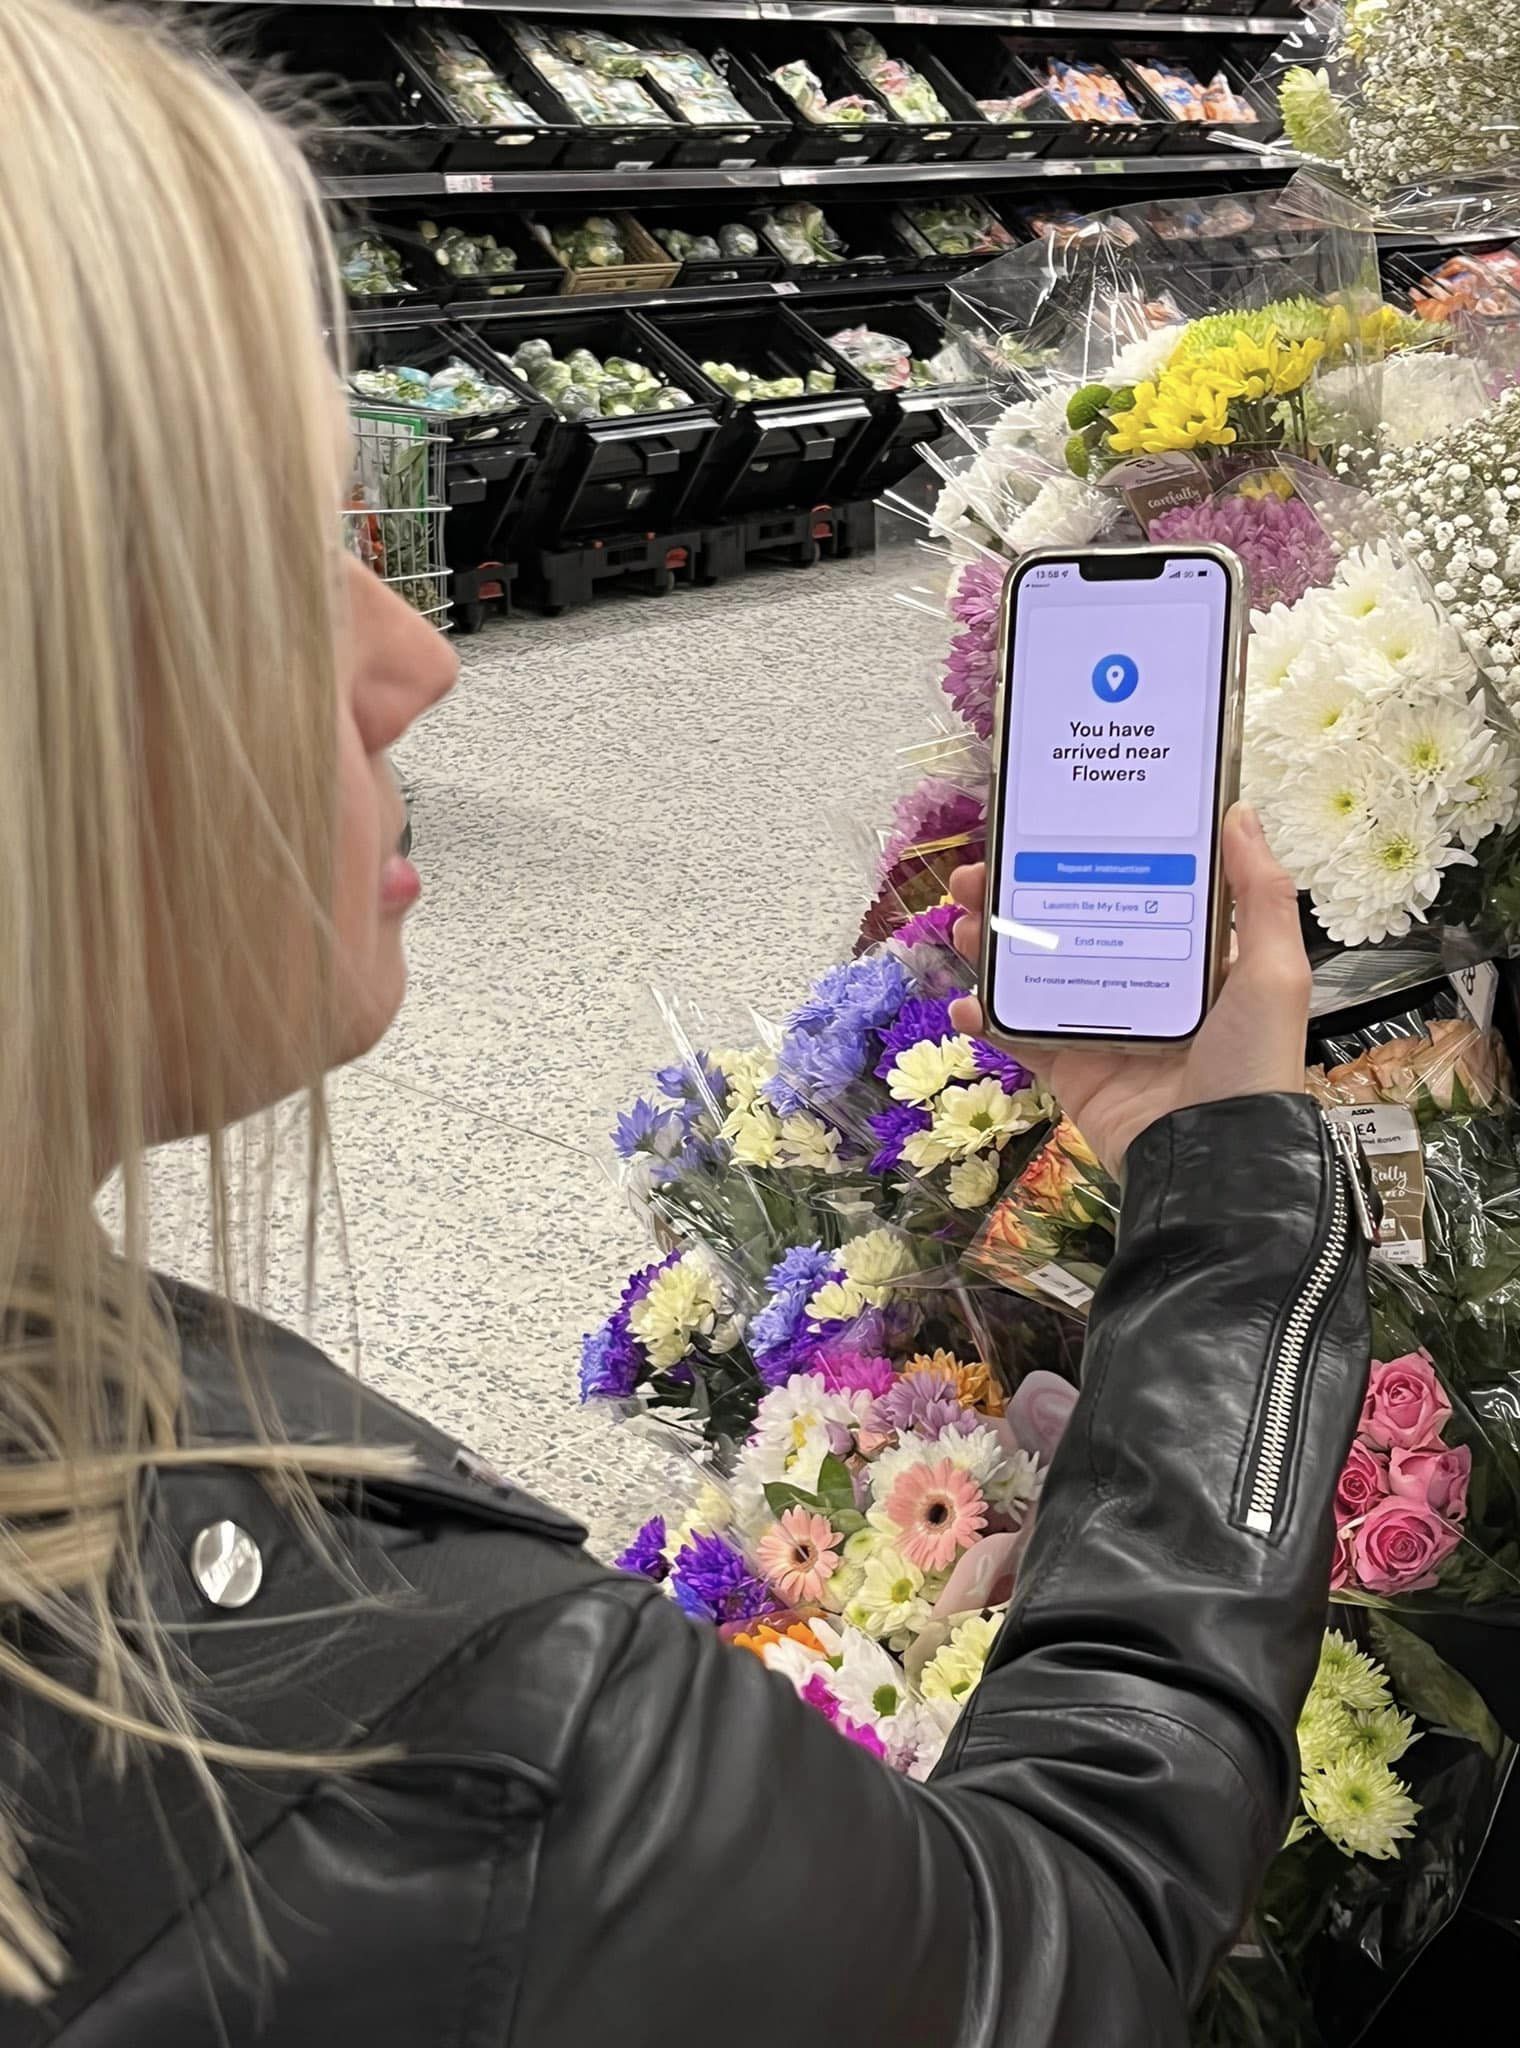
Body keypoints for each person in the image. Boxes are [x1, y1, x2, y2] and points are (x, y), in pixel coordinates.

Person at [0, 4, 1373, 2042]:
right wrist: (1234, 1197)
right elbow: (1041, 1957)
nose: (414, 660)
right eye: (270, 565)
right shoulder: (443, 1755)